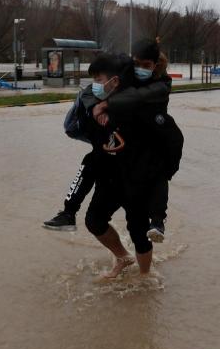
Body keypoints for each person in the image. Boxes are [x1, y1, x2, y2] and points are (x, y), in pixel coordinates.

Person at [44, 40, 181, 245]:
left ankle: (158, 222)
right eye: (137, 64)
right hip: (115, 148)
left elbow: (140, 97)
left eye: (146, 66)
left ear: (155, 66)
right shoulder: (121, 75)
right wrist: (95, 108)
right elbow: (92, 89)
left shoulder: (160, 84)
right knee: (91, 163)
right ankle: (69, 212)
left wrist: (108, 104)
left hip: (146, 145)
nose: (140, 69)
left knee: (155, 181)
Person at [72, 54, 173, 277]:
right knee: (94, 220)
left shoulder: (145, 97)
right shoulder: (102, 92)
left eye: (145, 64)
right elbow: (88, 93)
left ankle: (145, 277)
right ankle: (123, 257)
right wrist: (97, 106)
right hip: (108, 175)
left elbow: (160, 91)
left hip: (135, 176)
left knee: (138, 230)